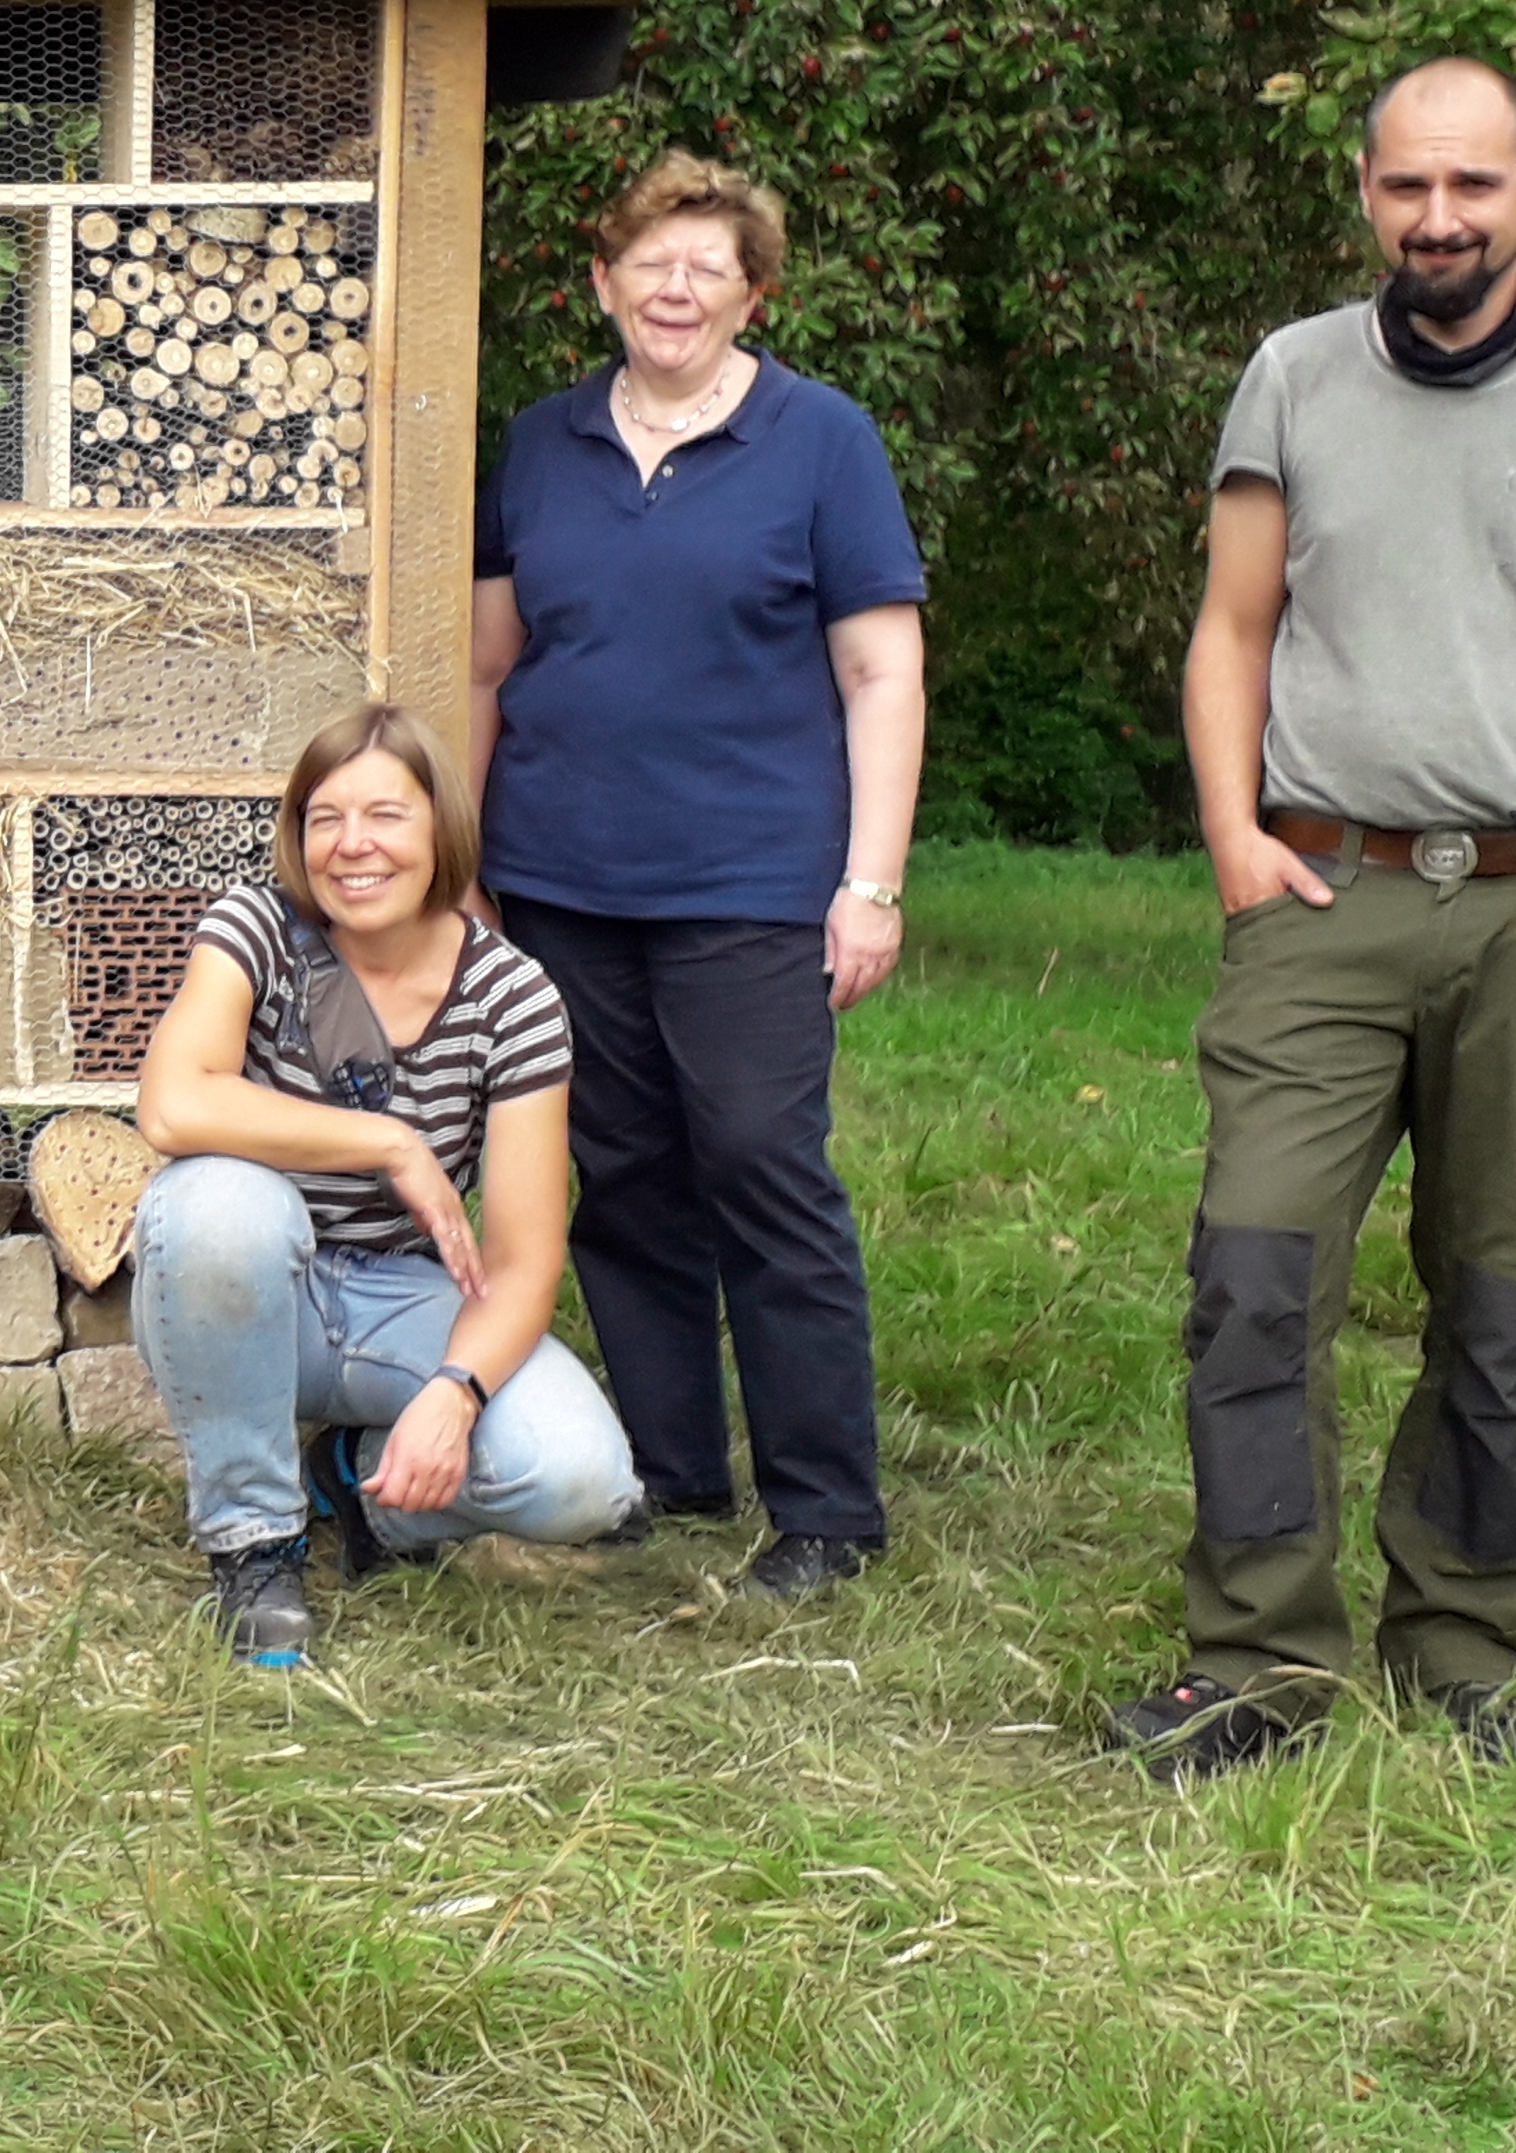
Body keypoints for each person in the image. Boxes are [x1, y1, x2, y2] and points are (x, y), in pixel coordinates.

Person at [1108, 56, 1516, 1780]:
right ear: (1366, 194)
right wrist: (1231, 834)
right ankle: (1256, 1658)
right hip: (1325, 895)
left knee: (1499, 1292)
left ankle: (1460, 1645)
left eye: (1471, 183)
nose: (1438, 218)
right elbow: (1234, 625)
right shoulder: (1293, 377)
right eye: (1406, 186)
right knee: (1253, 1272)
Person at [466, 150, 927, 1601]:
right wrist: (467, 868)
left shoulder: (822, 441)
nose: (676, 289)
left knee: (761, 1167)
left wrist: (870, 884)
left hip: (752, 885)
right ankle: (669, 1469)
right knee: (622, 1177)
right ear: (603, 283)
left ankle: (827, 1509)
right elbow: (486, 666)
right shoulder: (540, 443)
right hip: (558, 883)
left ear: (752, 295)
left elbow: (883, 672)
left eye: (708, 268)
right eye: (649, 264)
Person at [131, 700, 642, 1669]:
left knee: (582, 1480)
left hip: (404, 1299)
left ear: (441, 828)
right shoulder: (257, 930)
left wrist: (456, 1394)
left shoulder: (514, 998)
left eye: (385, 816)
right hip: (243, 1292)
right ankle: (254, 1541)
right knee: (220, 1204)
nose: (352, 845)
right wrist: (391, 1144)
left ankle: (361, 1486)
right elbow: (172, 1105)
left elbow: (523, 1263)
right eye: (325, 818)